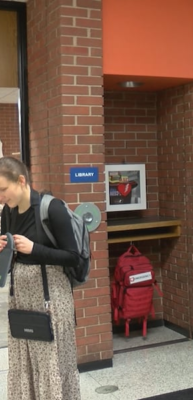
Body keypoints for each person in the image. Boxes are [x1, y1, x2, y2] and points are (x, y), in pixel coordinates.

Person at [0, 156, 81, 399]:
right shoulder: (8, 212)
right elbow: (9, 260)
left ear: (21, 180)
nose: (1, 197)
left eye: (4, 189)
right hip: (22, 301)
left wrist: (34, 249)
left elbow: (73, 256)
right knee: (25, 365)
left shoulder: (52, 208)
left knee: (52, 364)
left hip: (52, 303)